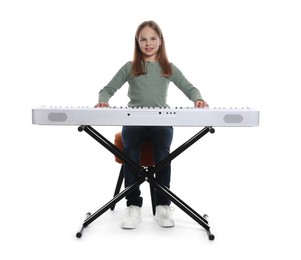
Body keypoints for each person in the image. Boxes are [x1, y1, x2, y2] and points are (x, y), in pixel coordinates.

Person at [95, 20, 208, 229]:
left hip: (161, 120)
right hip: (134, 120)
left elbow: (190, 88)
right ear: (137, 43)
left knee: (163, 151)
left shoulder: (168, 68)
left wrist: (198, 99)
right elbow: (107, 89)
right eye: (143, 39)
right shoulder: (130, 67)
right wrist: (104, 100)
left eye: (153, 38)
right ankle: (133, 206)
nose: (148, 43)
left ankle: (163, 205)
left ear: (160, 40)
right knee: (131, 151)